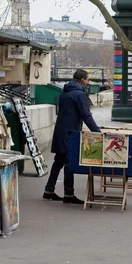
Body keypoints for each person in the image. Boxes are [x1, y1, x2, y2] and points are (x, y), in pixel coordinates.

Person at [44, 69, 101, 204]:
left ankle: (49, 190)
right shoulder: (79, 94)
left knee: (59, 161)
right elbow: (85, 114)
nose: (88, 82)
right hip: (70, 132)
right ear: (82, 80)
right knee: (69, 163)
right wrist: (97, 132)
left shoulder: (65, 91)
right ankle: (69, 194)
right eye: (87, 80)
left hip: (61, 130)